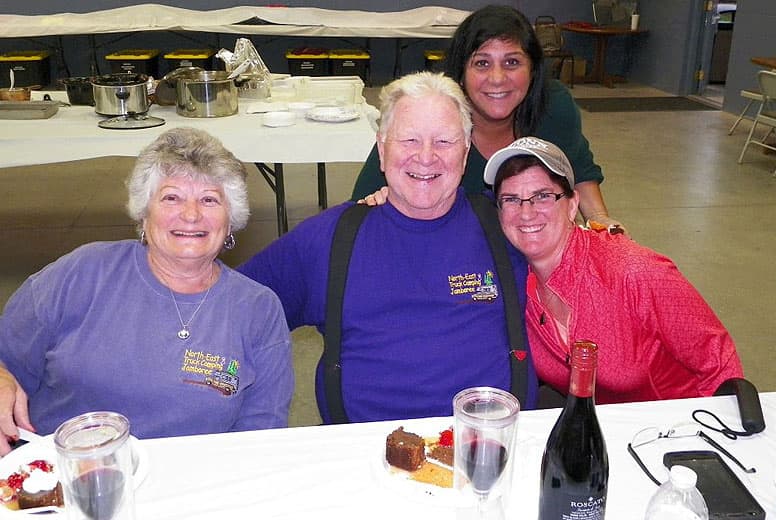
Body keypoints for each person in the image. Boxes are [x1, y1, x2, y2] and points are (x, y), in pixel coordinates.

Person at [238, 71, 538, 424]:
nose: (426, 157)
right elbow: (224, 312)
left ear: (466, 151)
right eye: (409, 140)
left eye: (444, 142)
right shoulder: (329, 239)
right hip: (363, 457)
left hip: (491, 449)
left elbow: (588, 274)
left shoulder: (510, 228)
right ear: (382, 150)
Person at [0, 127, 293, 454]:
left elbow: (261, 431)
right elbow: (5, 354)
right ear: (144, 212)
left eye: (209, 199)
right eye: (172, 197)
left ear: (231, 218)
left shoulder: (257, 308)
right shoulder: (83, 272)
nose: (191, 215)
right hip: (63, 478)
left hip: (195, 486)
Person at [484, 136, 744, 404]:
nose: (526, 213)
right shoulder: (509, 282)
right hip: (600, 426)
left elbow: (720, 364)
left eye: (542, 196)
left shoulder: (635, 271)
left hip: (677, 426)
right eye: (511, 199)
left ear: (573, 204)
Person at [351, 4, 625, 233]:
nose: (497, 79)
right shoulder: (431, 113)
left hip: (531, 250)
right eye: (482, 63)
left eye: (512, 63)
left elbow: (580, 171)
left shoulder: (553, 108)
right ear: (460, 72)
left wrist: (600, 220)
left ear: (533, 70)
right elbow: (360, 209)